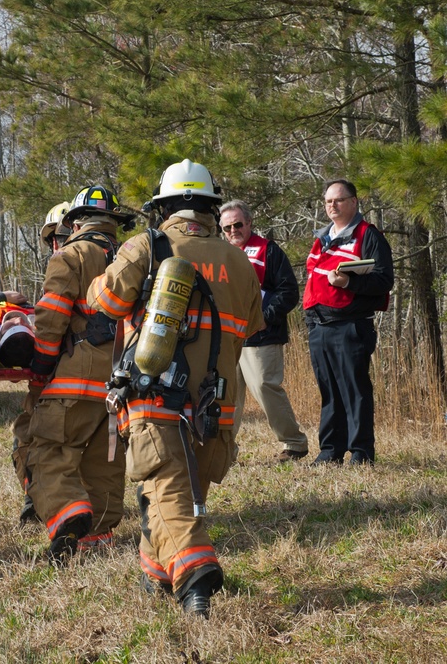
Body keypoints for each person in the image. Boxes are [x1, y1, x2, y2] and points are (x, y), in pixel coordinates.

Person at [89, 159, 264, 617]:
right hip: (217, 404)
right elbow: (246, 330)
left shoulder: (146, 246)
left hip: (156, 394)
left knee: (166, 491)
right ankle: (155, 574)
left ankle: (196, 573)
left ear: (163, 206)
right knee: (173, 497)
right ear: (210, 206)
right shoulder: (239, 261)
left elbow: (105, 303)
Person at [26, 186, 135, 564]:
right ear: (113, 224)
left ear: (72, 223)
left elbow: (52, 318)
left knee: (46, 451)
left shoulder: (68, 255)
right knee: (103, 458)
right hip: (123, 377)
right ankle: (99, 535)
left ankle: (69, 515)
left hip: (76, 374)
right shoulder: (133, 258)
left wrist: (39, 370)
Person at [303, 178, 393, 466]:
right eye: (329, 201)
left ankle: (361, 452)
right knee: (329, 393)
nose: (333, 205)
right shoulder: (322, 238)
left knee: (355, 392)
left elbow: (383, 280)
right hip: (319, 325)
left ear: (354, 202)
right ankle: (330, 451)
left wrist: (349, 282)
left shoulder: (369, 235)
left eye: (339, 200)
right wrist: (310, 322)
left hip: (350, 325)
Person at [218, 200, 309, 462]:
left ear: (249, 223)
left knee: (264, 387)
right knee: (226, 394)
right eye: (227, 227)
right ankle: (225, 451)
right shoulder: (219, 253)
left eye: (237, 224)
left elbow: (289, 292)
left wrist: (265, 318)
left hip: (261, 335)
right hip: (227, 336)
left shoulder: (268, 251)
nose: (233, 230)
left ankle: (294, 444)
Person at [11, 201, 73, 525]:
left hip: (62, 376)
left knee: (27, 436)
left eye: (59, 236)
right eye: (51, 239)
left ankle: (36, 504)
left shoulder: (67, 265)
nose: (54, 244)